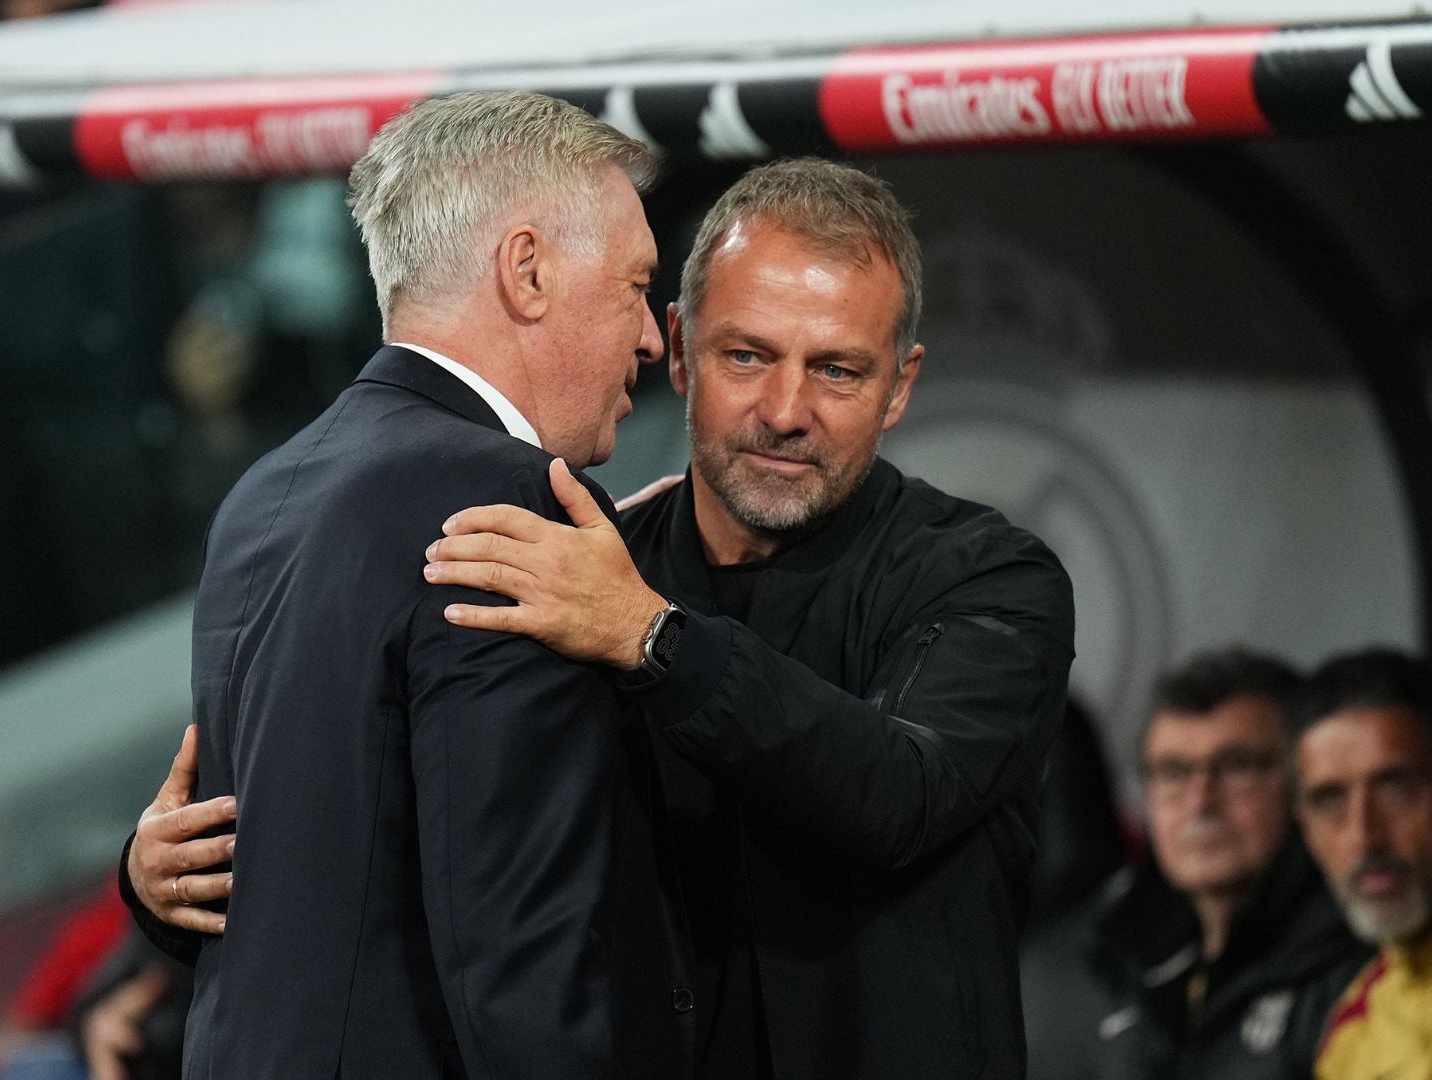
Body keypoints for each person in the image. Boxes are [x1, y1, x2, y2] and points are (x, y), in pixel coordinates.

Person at [133, 157, 1076, 1078]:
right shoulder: (569, 562)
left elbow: (899, 795)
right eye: (746, 356)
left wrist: (652, 640)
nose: (786, 410)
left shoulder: (991, 580)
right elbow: (418, 847)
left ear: (900, 386)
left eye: (836, 370)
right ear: (675, 344)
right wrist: (157, 887)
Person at [128, 91, 694, 1080]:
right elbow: (519, 946)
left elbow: (279, 875)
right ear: (527, 272)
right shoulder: (515, 502)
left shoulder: (267, 489)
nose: (650, 337)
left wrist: (143, 883)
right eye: (634, 286)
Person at [1021, 648, 1368, 1080]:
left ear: (1307, 783)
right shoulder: (1095, 961)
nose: (1201, 802)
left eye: (1238, 767)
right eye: (1174, 772)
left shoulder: (1366, 961)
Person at [1294, 648, 1432, 1080]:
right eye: (1330, 801)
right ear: (1305, 829)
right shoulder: (1348, 1038)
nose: (1363, 836)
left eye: (1396, 788)